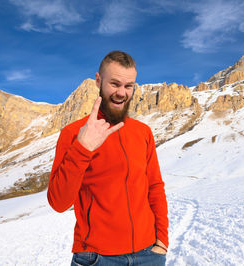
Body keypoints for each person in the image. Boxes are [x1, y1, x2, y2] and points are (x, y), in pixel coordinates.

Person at [47, 51, 169, 265]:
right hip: (97, 257)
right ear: (98, 81)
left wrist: (161, 240)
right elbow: (58, 202)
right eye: (114, 84)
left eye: (128, 85)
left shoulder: (143, 132)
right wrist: (83, 148)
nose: (121, 93)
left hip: (149, 254)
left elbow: (155, 187)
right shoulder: (74, 133)